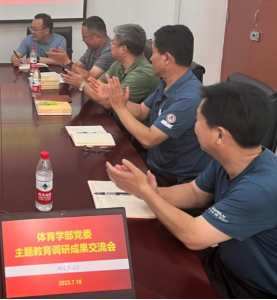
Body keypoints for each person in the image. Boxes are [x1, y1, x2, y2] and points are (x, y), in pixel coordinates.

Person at [107, 82, 277, 299]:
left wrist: (145, 192)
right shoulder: (234, 157)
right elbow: (195, 193)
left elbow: (194, 236)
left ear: (219, 135)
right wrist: (149, 191)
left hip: (250, 288)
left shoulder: (259, 189)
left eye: (198, 120)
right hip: (224, 261)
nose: (194, 126)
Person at [105, 25, 211, 186]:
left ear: (167, 58)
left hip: (173, 179)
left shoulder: (189, 98)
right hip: (154, 164)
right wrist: (118, 100)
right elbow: (141, 111)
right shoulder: (167, 82)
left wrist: (119, 108)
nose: (150, 59)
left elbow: (149, 139)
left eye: (153, 53)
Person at [64, 24, 159, 117]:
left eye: (112, 43)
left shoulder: (141, 75)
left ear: (123, 49)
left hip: (124, 126)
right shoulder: (119, 64)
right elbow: (97, 87)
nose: (110, 45)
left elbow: (108, 103)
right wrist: (81, 83)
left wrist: (82, 85)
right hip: (111, 119)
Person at [46, 16, 115, 82]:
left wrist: (66, 61)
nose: (83, 40)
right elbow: (76, 67)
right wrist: (62, 60)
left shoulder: (110, 51)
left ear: (97, 36)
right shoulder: (92, 48)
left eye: (84, 37)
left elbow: (91, 77)